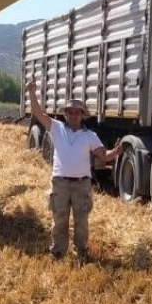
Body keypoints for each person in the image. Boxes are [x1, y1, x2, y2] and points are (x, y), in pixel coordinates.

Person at [25, 80, 122, 265]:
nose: (74, 115)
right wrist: (31, 92)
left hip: (81, 184)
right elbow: (37, 113)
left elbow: (103, 155)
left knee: (81, 221)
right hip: (60, 183)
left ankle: (81, 252)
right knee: (59, 220)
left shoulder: (90, 136)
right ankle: (58, 252)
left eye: (78, 112)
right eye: (70, 112)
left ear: (82, 115)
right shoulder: (56, 127)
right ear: (66, 114)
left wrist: (115, 153)